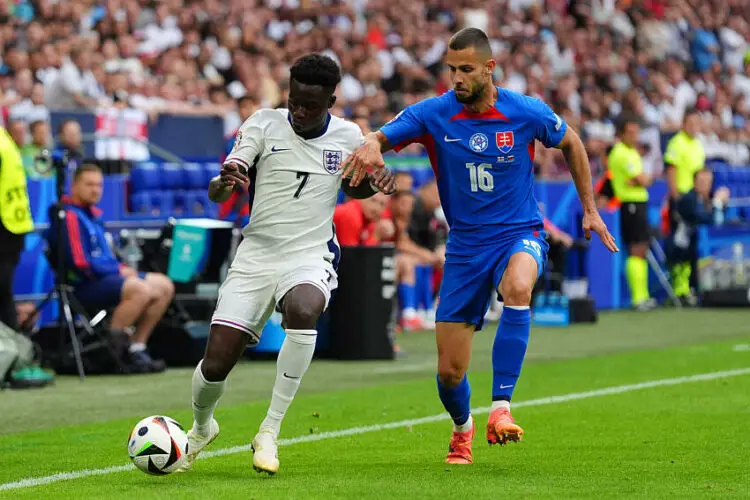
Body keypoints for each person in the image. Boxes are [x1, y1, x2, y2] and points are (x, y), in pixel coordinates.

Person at [342, 28, 618, 465]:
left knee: (519, 287)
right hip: (466, 248)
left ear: (490, 69)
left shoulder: (525, 112)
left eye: (466, 69)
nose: (456, 78)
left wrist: (590, 209)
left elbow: (572, 143)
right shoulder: (434, 114)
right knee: (450, 374)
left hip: (518, 233)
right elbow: (380, 136)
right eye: (451, 69)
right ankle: (462, 428)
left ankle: (501, 408)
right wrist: (373, 145)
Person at [182, 54, 395, 476]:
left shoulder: (348, 136)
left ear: (331, 100)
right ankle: (201, 428)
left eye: (311, 105)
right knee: (216, 364)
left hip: (309, 254)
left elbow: (354, 189)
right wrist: (225, 180)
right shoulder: (263, 123)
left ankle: (269, 431)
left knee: (303, 310)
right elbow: (220, 189)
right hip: (256, 254)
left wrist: (374, 183)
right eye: (295, 100)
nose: (300, 110)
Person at [45, 164, 172, 373]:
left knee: (164, 285)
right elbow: (80, 263)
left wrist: (121, 268)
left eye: (99, 185)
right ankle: (114, 352)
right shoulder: (69, 216)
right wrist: (116, 271)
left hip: (108, 278)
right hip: (85, 285)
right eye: (89, 184)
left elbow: (107, 256)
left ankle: (137, 347)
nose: (95, 190)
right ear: (74, 186)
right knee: (140, 289)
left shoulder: (93, 216)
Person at [608, 115, 656, 311]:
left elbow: (645, 179)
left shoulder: (631, 152)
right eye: (630, 132)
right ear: (620, 134)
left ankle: (643, 295)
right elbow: (643, 179)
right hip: (630, 204)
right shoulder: (620, 153)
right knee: (636, 248)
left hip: (638, 203)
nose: (635, 136)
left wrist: (641, 179)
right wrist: (640, 180)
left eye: (636, 132)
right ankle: (638, 298)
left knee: (642, 248)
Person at [666, 169, 730, 304]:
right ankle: (693, 291)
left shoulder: (709, 198)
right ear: (694, 182)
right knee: (702, 247)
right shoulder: (688, 199)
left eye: (708, 182)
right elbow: (703, 219)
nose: (705, 185)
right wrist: (717, 204)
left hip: (701, 246)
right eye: (701, 181)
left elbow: (720, 221)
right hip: (682, 247)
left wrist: (721, 204)